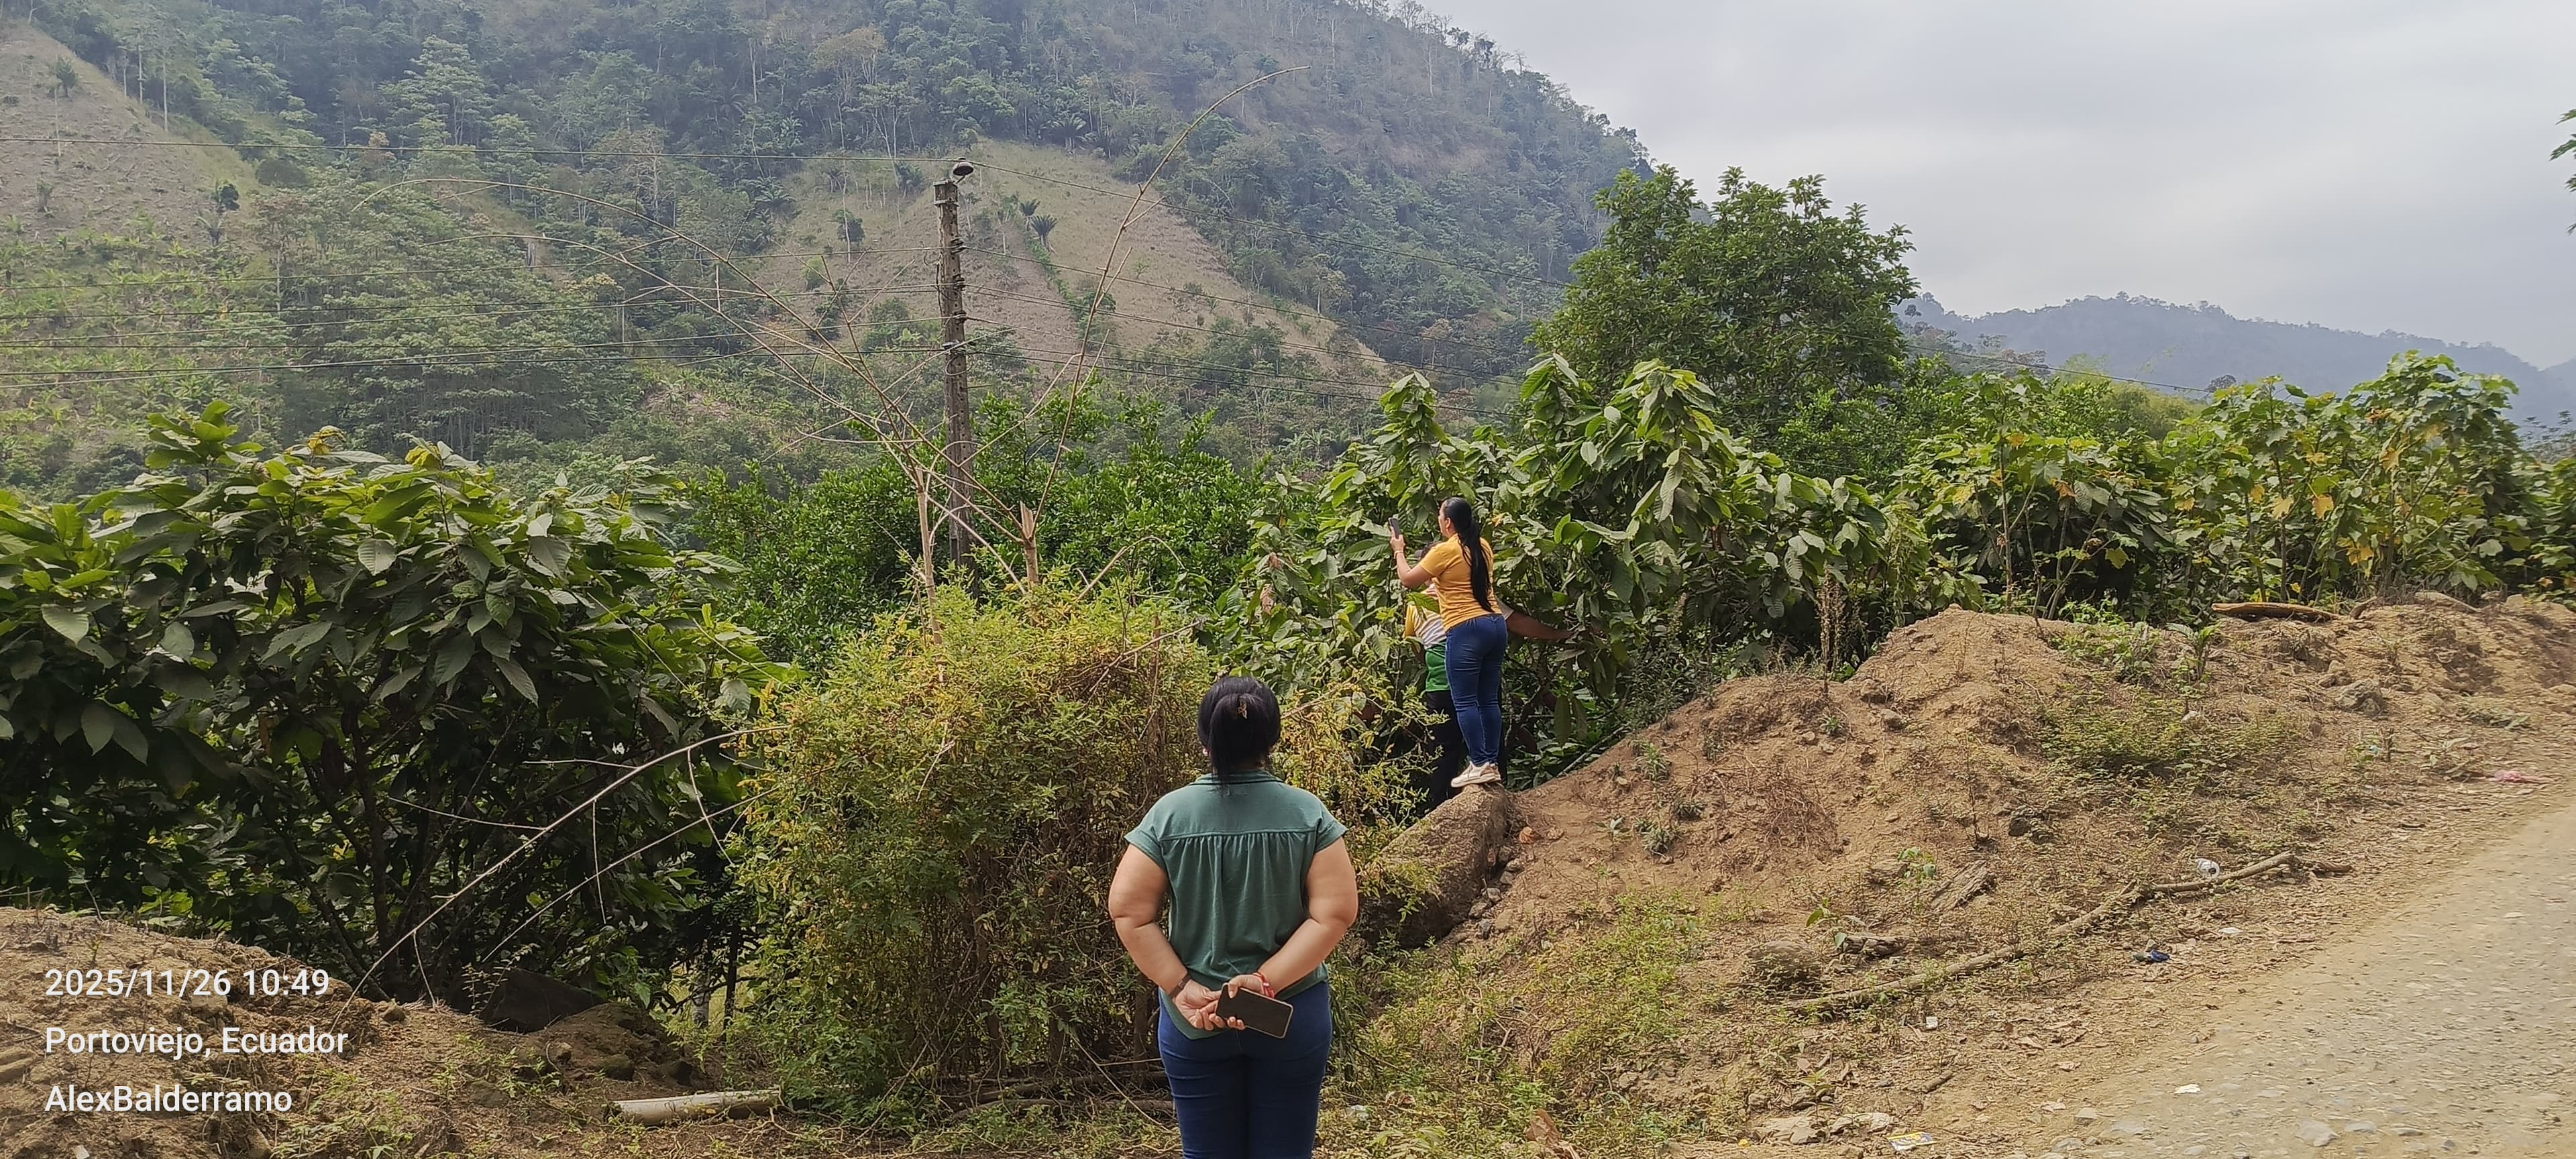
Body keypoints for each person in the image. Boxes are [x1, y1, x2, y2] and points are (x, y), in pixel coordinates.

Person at [1108, 677, 1360, 1159]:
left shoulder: (1169, 816)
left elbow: (1128, 912)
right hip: (1289, 1012)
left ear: (1206, 740)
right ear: (1273, 740)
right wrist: (1264, 983)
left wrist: (1182, 987)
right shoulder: (1307, 813)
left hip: (1195, 1019)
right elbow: (1335, 914)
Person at [1391, 496, 1507, 787]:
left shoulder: (1445, 550)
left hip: (1466, 628)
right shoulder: (1483, 546)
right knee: (1488, 700)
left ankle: (1479, 763)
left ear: (1448, 523)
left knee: (1464, 700)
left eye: (1440, 517)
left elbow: (1408, 580)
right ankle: (1491, 762)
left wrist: (1399, 551)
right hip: (1495, 624)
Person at [1403, 583, 1466, 808]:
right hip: (1469, 679)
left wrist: (1429, 661)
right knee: (1484, 735)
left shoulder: (1415, 603)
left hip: (1438, 685)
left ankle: (1441, 804)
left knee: (1443, 750)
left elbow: (1413, 642)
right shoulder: (1464, 590)